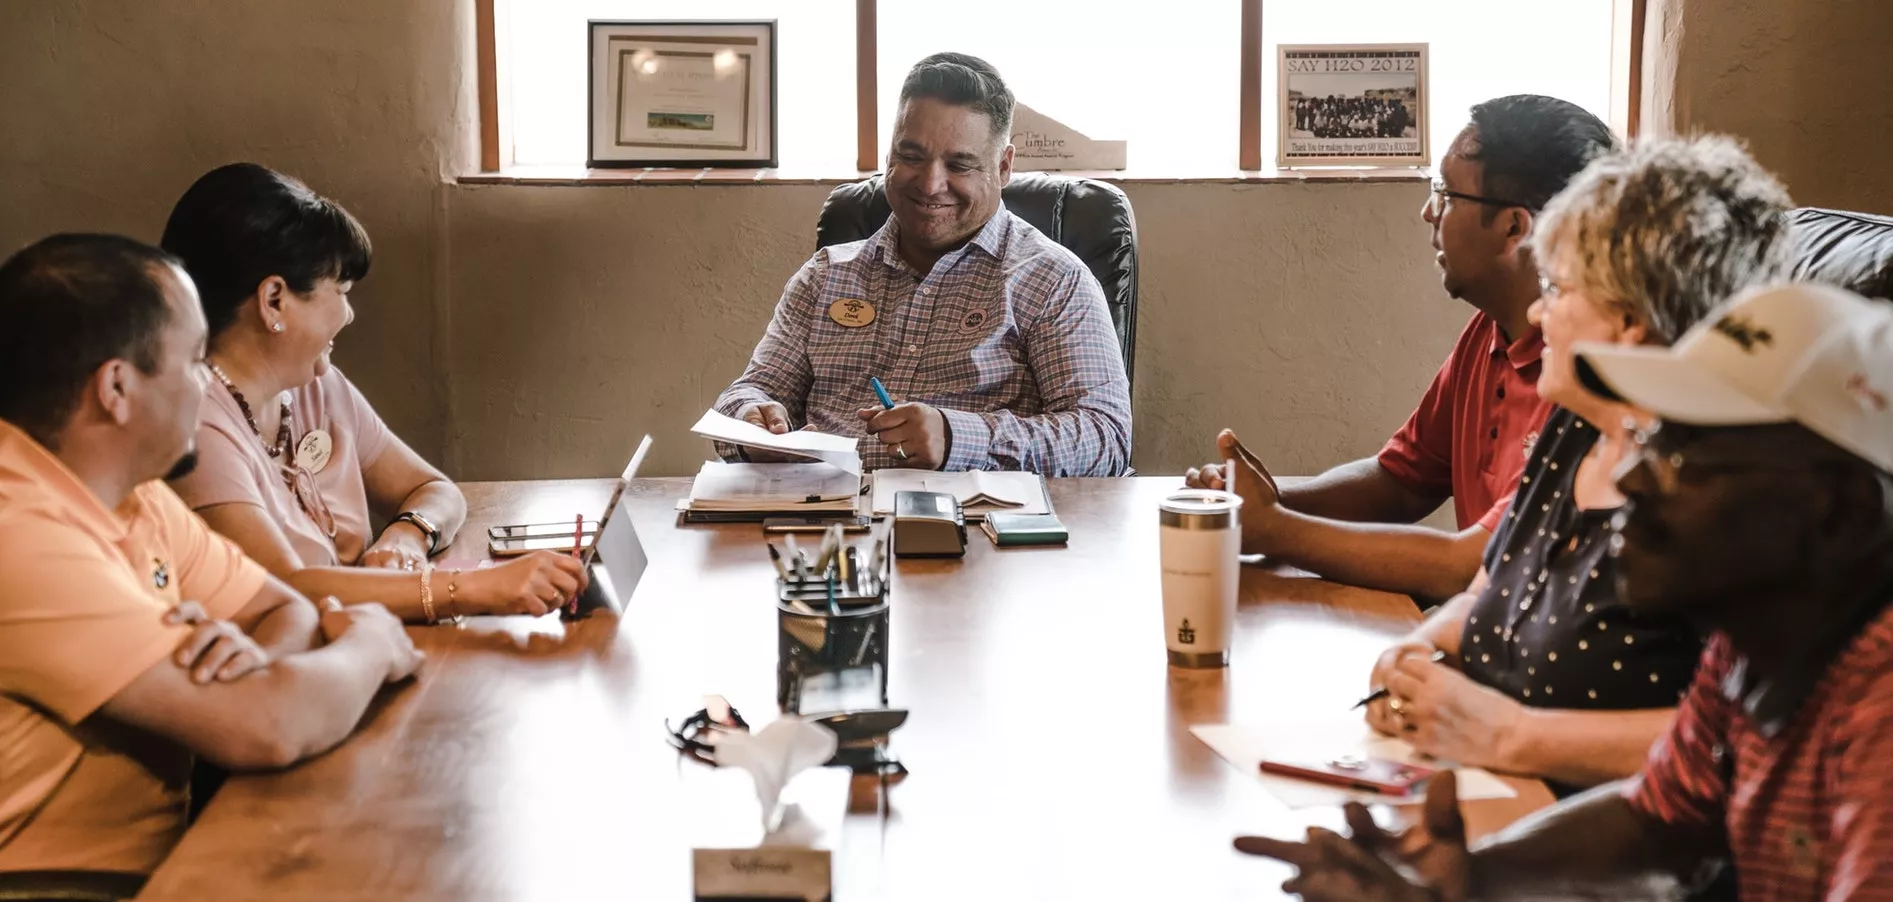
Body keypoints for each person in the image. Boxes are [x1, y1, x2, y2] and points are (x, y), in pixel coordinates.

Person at [1235, 282, 1893, 902]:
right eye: (1648, 437)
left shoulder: (1877, 715)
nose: (1632, 479)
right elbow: (1658, 816)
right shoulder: (1755, 645)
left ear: (1841, 513)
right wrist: (1468, 875)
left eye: (1686, 454)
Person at [1359, 136, 1795, 795]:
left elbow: (1746, 736)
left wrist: (1509, 733)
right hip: (1488, 789)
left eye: (1555, 289)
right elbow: (1490, 583)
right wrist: (1420, 650)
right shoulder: (1574, 427)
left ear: (1629, 322)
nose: (1537, 311)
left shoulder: (1720, 493)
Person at [0, 234, 423, 878]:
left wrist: (259, 663)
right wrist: (373, 642)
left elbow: (285, 608)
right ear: (116, 387)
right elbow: (269, 727)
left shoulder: (135, 492)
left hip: (167, 858)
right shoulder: (20, 533)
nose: (208, 384)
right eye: (196, 359)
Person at [1185, 95, 1615, 602]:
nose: (1428, 212)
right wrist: (1262, 501)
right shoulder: (1487, 333)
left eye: (1448, 194)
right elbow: (1401, 484)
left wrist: (1276, 529)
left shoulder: (1582, 370)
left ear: (1513, 228)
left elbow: (1467, 567)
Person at [160, 163, 586, 623]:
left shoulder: (314, 386)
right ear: (274, 300)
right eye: (340, 290)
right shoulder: (195, 423)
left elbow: (435, 489)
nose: (348, 315)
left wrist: (406, 534)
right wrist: (470, 588)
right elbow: (284, 587)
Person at [711, 53, 1132, 476]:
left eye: (959, 164)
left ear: (1003, 167)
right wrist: (750, 416)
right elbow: (753, 390)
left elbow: (1106, 440)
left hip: (975, 527)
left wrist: (956, 437)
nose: (930, 185)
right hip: (824, 526)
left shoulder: (1053, 281)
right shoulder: (825, 276)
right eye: (911, 156)